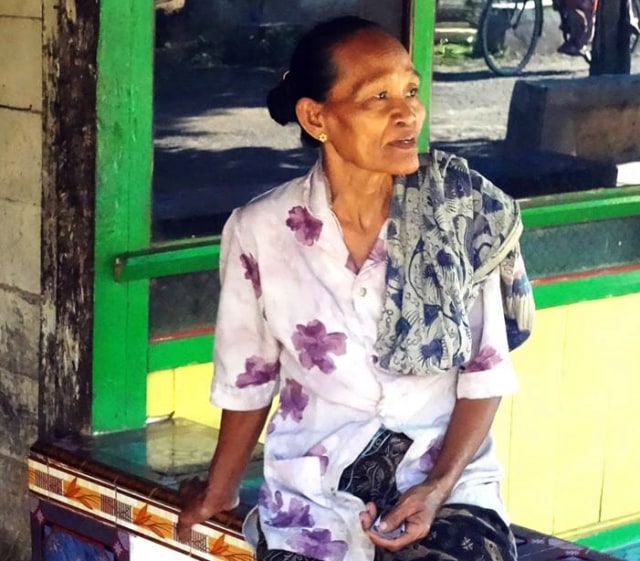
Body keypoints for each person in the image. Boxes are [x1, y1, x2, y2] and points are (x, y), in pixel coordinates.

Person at [177, 15, 534, 561]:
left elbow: (484, 372)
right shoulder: (261, 230)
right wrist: (221, 489)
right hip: (314, 496)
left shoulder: (456, 211)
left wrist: (436, 488)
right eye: (379, 97)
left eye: (412, 90)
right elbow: (249, 378)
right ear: (316, 116)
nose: (407, 112)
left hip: (445, 486)